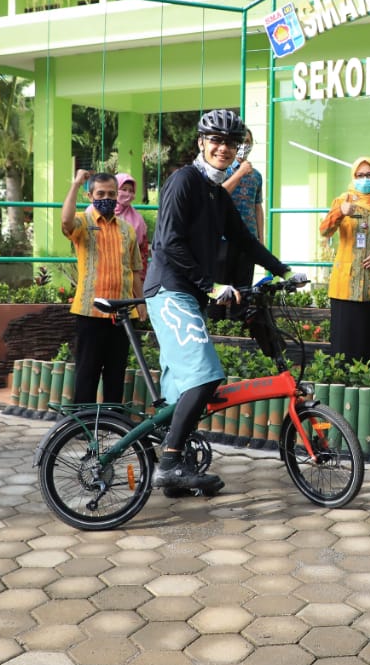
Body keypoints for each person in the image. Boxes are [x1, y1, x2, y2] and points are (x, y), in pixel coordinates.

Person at [144, 109, 301, 492]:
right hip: (170, 290)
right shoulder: (183, 181)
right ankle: (169, 463)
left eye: (231, 143)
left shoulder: (215, 192)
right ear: (200, 142)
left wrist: (282, 271)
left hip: (189, 293)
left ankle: (175, 462)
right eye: (215, 140)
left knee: (185, 389)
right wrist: (211, 285)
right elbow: (169, 242)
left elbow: (245, 240)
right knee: (206, 375)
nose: (223, 148)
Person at [63, 170, 144, 405]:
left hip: (121, 314)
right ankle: (83, 425)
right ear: (90, 195)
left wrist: (141, 304)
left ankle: (112, 423)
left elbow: (134, 270)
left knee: (115, 373)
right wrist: (76, 183)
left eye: (111, 193)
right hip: (90, 312)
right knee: (87, 372)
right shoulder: (83, 222)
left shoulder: (127, 229)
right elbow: (66, 221)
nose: (106, 198)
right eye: (100, 193)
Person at [319, 157, 370, 363]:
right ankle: (342, 382)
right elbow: (325, 231)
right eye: (360, 175)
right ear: (353, 177)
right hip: (346, 281)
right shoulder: (342, 201)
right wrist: (340, 212)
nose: (365, 179)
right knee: (345, 338)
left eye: (369, 175)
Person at [209, 128, 265, 323]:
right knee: (220, 286)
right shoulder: (220, 171)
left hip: (247, 239)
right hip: (223, 238)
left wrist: (260, 238)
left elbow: (257, 206)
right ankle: (216, 328)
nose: (244, 145)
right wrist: (240, 172)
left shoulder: (256, 176)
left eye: (248, 141)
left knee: (243, 288)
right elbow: (218, 194)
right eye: (240, 141)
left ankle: (237, 328)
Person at [114, 172, 150, 275]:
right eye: (124, 189)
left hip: (130, 271)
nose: (128, 194)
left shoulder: (138, 219)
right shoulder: (102, 211)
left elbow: (143, 251)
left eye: (131, 191)